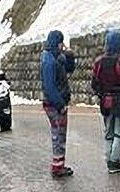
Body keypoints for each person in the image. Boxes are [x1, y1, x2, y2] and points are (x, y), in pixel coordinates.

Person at [91, 29, 120, 173]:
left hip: (105, 101)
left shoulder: (99, 62)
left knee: (108, 133)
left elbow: (95, 83)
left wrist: (101, 94)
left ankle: (109, 160)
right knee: (119, 133)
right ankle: (114, 162)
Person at [40, 30, 76, 178]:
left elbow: (69, 68)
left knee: (60, 133)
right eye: (61, 42)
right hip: (54, 103)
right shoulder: (49, 61)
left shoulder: (56, 57)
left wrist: (70, 56)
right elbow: (49, 87)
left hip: (57, 101)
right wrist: (60, 104)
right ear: (57, 43)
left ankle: (59, 163)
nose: (63, 45)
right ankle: (57, 166)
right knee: (58, 133)